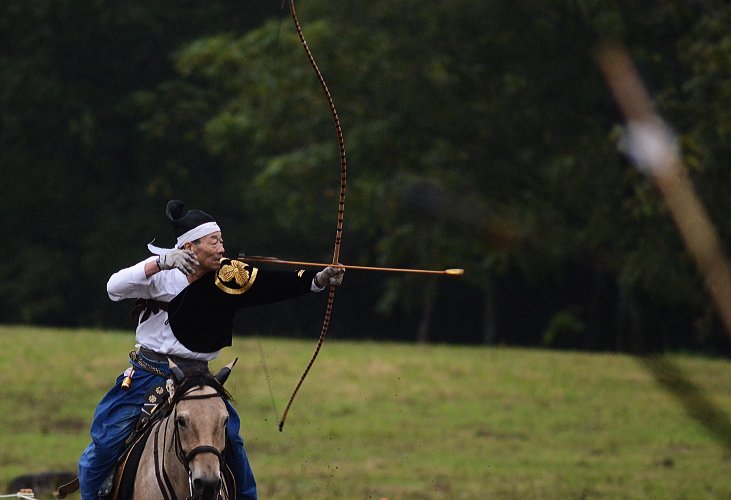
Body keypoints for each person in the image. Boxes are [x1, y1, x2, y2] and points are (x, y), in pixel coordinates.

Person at [77, 200, 344, 500]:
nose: (221, 249)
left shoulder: (227, 275)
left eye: (221, 241)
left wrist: (317, 280)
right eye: (213, 242)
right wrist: (160, 263)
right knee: (104, 444)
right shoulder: (162, 272)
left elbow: (271, 284)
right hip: (148, 375)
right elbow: (114, 287)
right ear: (189, 247)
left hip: (198, 379)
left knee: (233, 445)